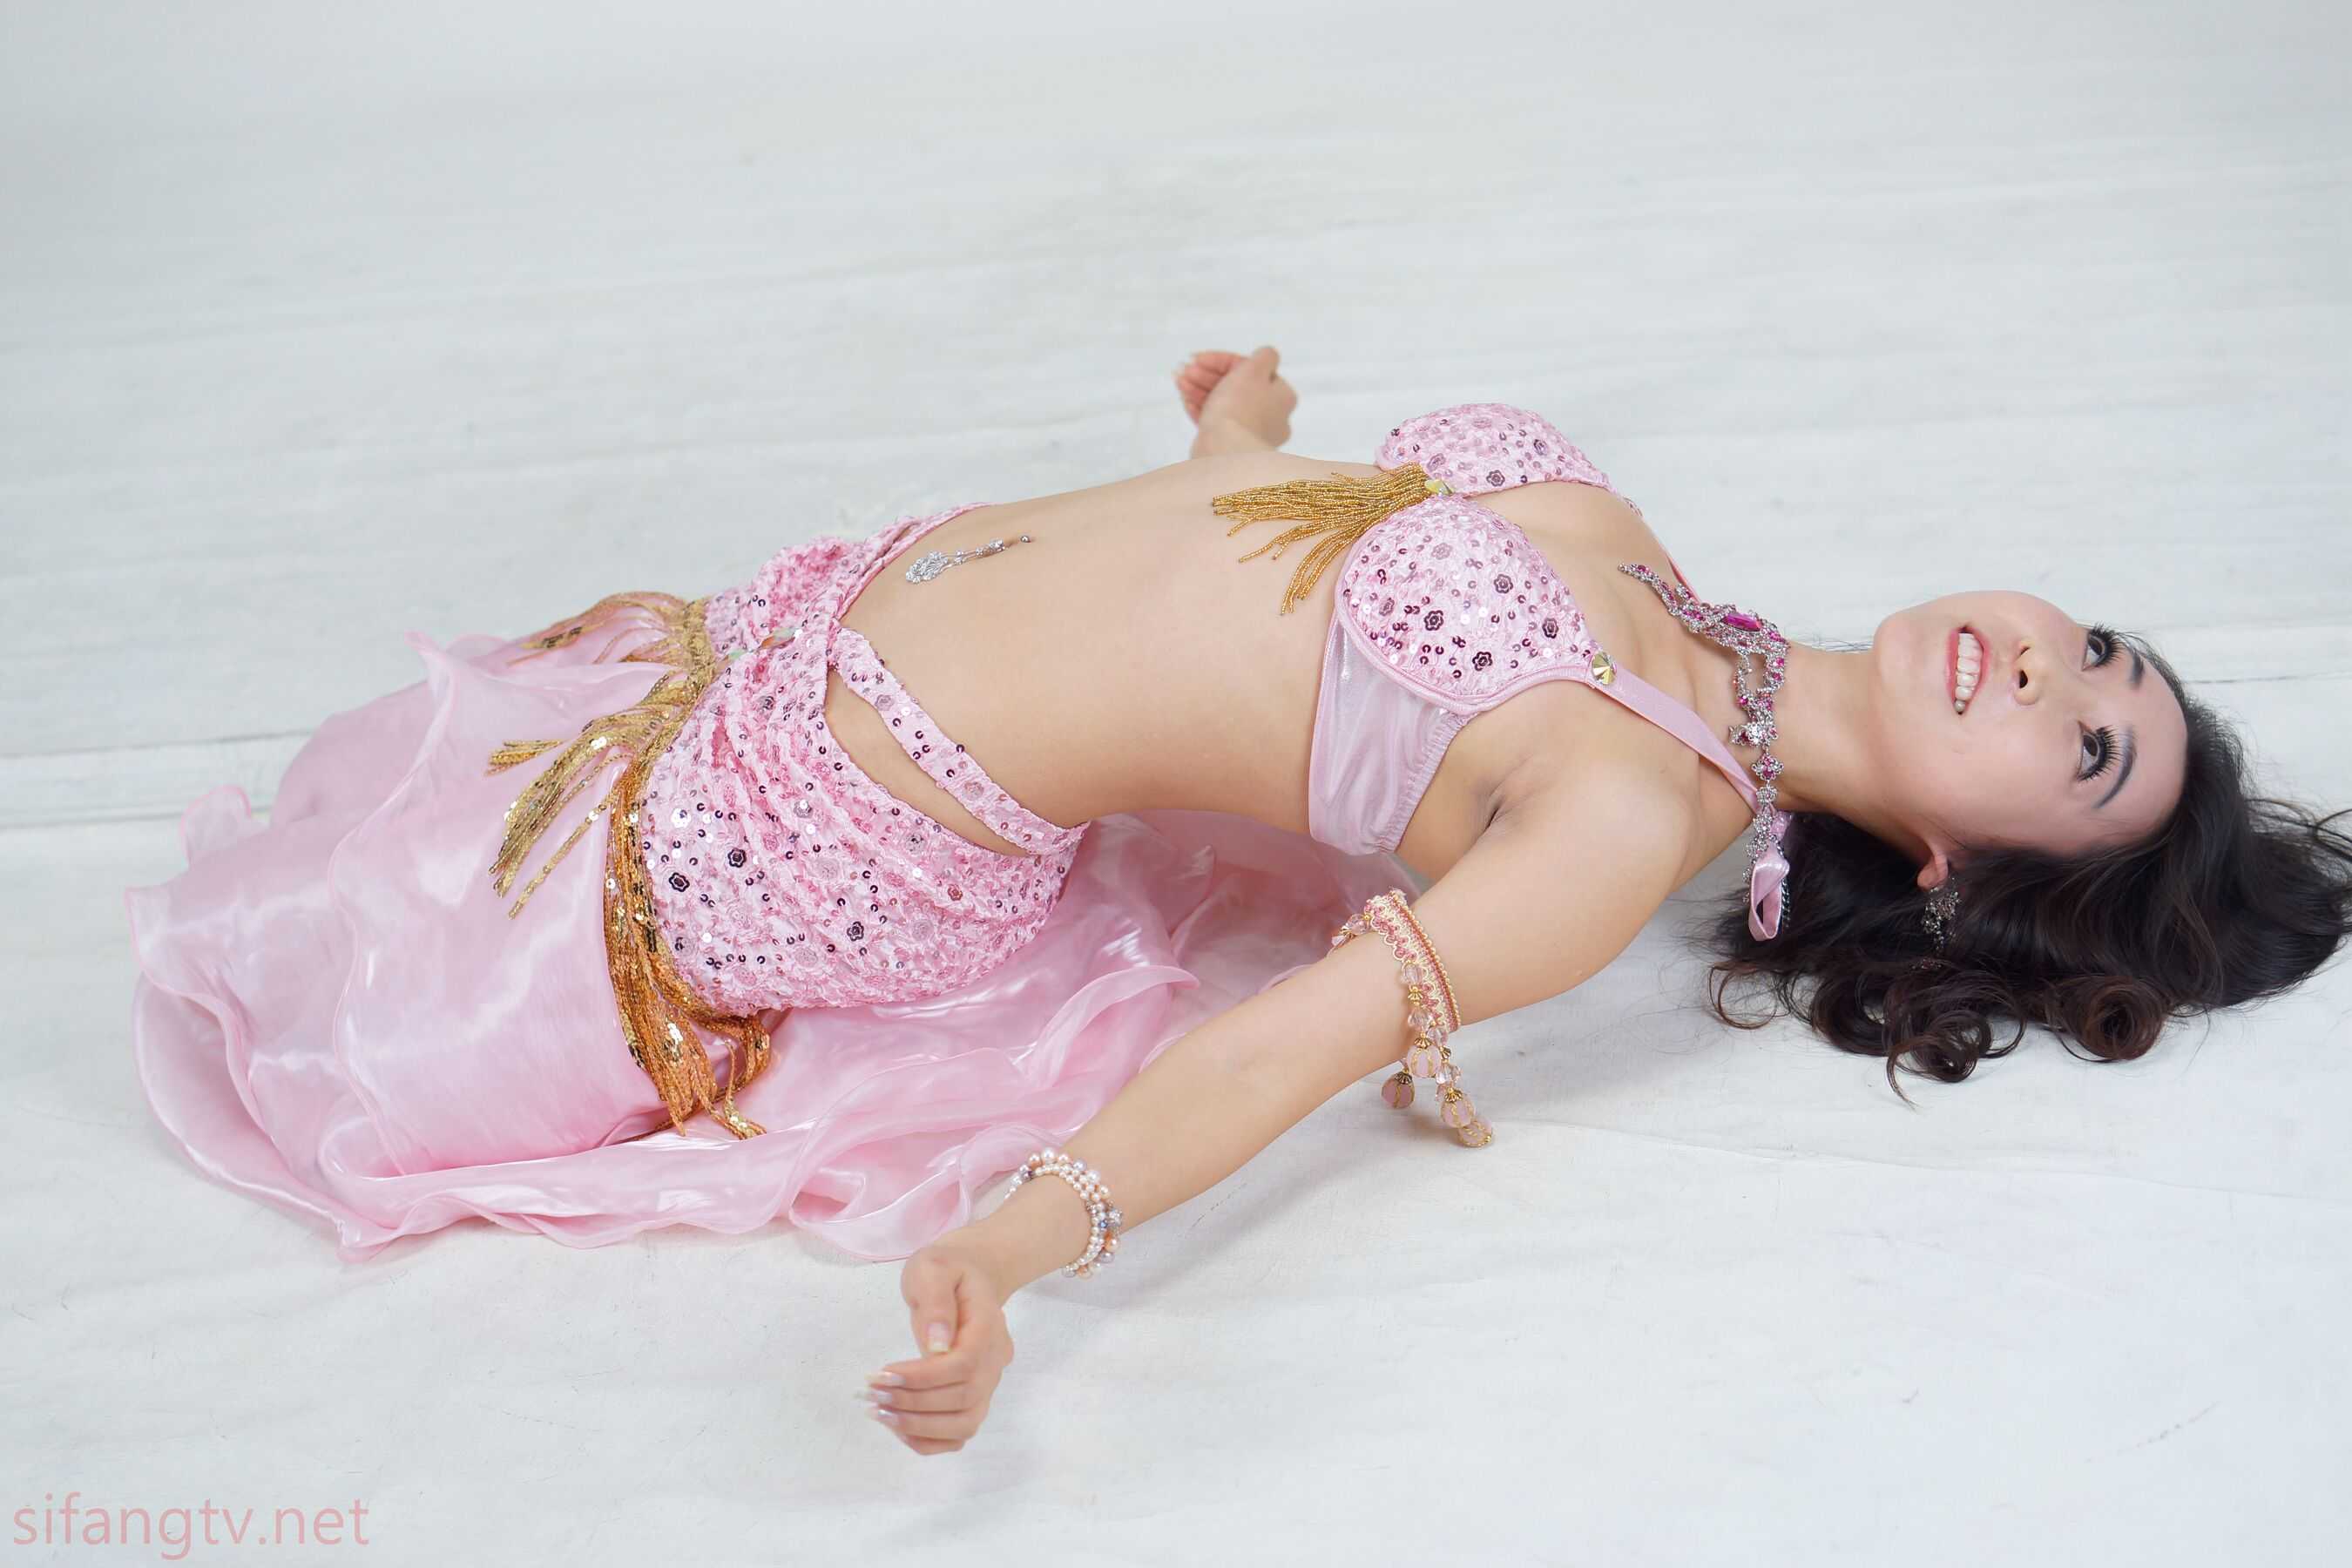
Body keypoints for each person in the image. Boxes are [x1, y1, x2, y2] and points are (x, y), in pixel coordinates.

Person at [125, 347, 2352, 1456]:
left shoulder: (1617, 819)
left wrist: (1013, 1251)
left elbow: (1290, 1045)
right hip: (797, 616)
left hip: (833, 804)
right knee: (391, 819)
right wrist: (1242, 448)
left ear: (1959, 870)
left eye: (2088, 748)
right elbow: (1283, 634)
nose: (2052, 673)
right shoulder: (1665, 587)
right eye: (2100, 652)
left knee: (369, 967)